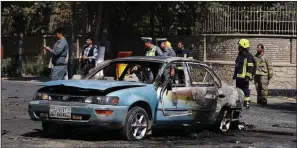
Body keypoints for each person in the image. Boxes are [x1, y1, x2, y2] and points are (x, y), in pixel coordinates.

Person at [233, 39, 255, 109]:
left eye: (239, 46)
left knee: (245, 90)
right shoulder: (239, 55)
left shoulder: (249, 56)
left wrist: (248, 76)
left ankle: (247, 103)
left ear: (243, 46)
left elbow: (250, 67)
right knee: (238, 90)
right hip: (239, 77)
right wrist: (235, 75)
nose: (238, 47)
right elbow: (237, 66)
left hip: (244, 77)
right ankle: (239, 102)